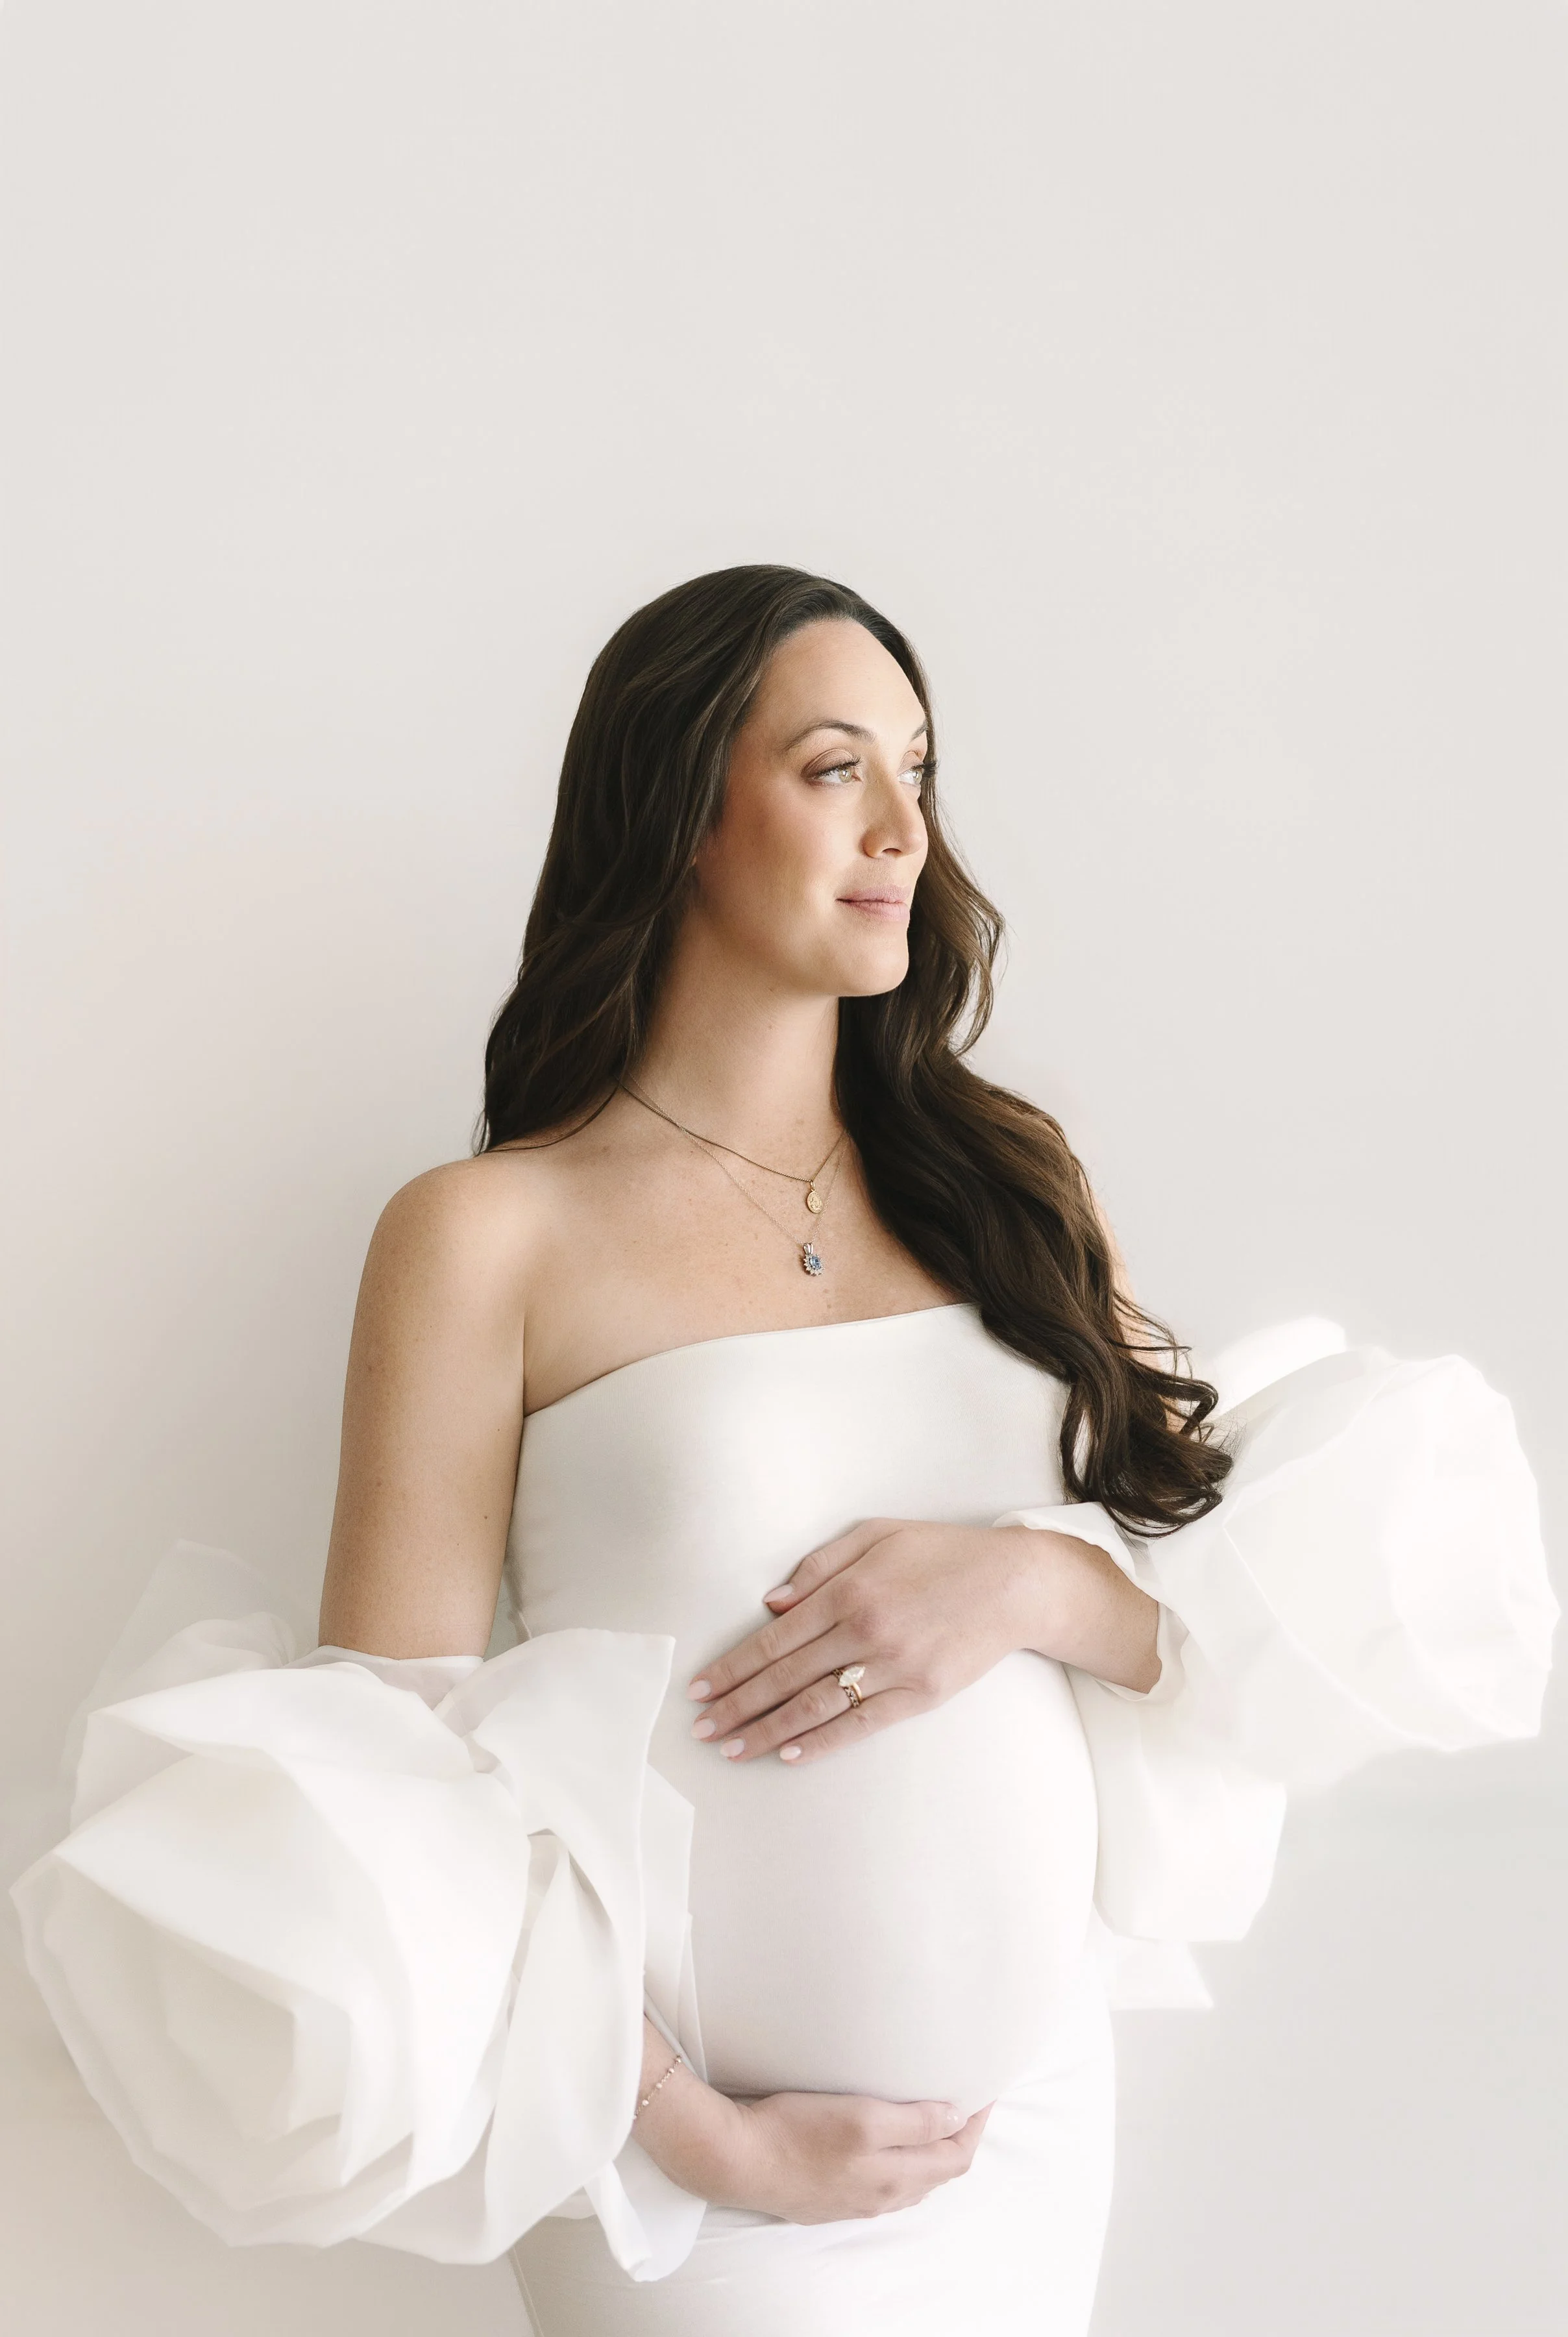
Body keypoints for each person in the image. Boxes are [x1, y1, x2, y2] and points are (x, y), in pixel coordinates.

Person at [14, 567, 1557, 2337]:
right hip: (685, 2183)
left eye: (920, 768)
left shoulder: (1009, 1185)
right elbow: (396, 1778)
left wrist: (1029, 1585)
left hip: (1022, 2136)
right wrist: (703, 2137)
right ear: (680, 808)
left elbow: (1211, 1625)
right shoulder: (487, 1235)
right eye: (836, 768)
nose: (905, 825)